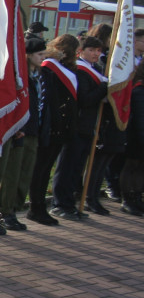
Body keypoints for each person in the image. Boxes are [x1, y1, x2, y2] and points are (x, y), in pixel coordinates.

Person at [50, 35, 108, 221]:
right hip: (77, 126)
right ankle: (60, 204)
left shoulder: (95, 70)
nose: (95, 54)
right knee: (67, 167)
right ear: (81, 51)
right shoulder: (81, 71)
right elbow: (85, 99)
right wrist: (104, 88)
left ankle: (70, 203)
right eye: (91, 50)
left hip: (88, 127)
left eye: (98, 51)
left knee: (77, 168)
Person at [0, 36, 47, 231]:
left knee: (25, 173)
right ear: (28, 55)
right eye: (40, 54)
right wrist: (18, 126)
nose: (43, 58)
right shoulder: (19, 75)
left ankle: (15, 208)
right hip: (18, 129)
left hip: (33, 129)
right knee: (12, 173)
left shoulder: (38, 75)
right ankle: (5, 211)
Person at [27, 34, 79, 225]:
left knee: (45, 169)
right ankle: (35, 206)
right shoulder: (47, 70)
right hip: (44, 128)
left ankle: (39, 206)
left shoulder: (51, 71)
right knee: (39, 170)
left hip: (56, 127)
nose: (43, 58)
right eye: (40, 54)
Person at [119, 59, 144, 215]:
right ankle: (127, 199)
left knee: (141, 168)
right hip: (136, 137)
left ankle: (137, 197)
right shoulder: (139, 91)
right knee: (131, 167)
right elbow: (141, 119)